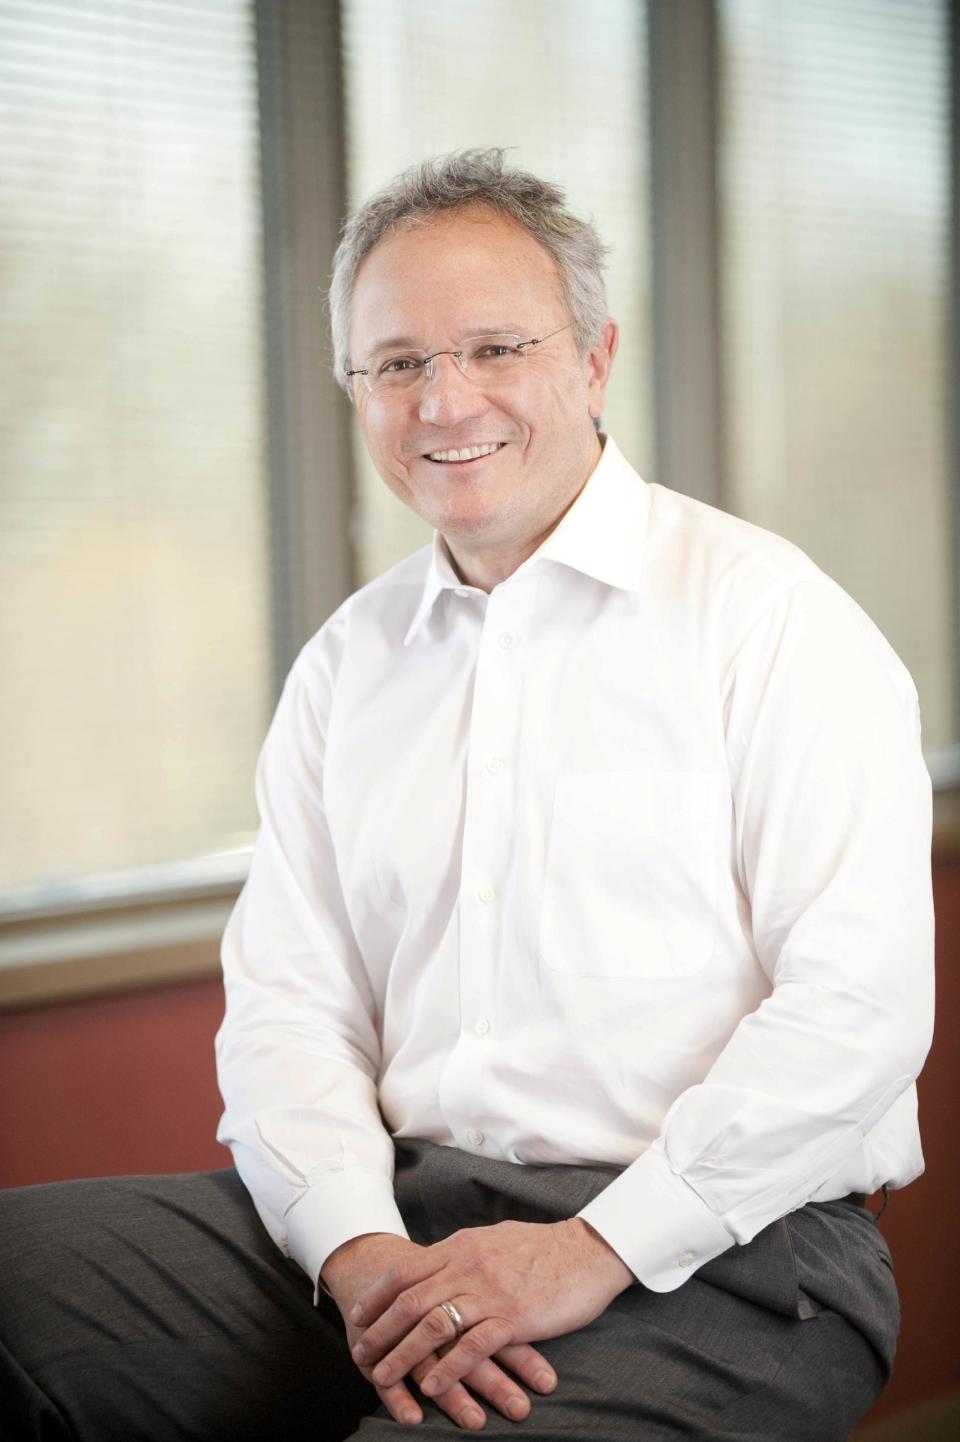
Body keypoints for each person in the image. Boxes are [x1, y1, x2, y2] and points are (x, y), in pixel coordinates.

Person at [0, 149, 934, 1442]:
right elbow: (287, 1011)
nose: (445, 401)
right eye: (395, 363)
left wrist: (592, 1246)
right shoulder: (342, 669)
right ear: (355, 391)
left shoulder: (772, 623)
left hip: (732, 1249)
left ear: (597, 357)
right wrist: (355, 1247)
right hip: (404, 1215)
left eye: (495, 346)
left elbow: (860, 1011)